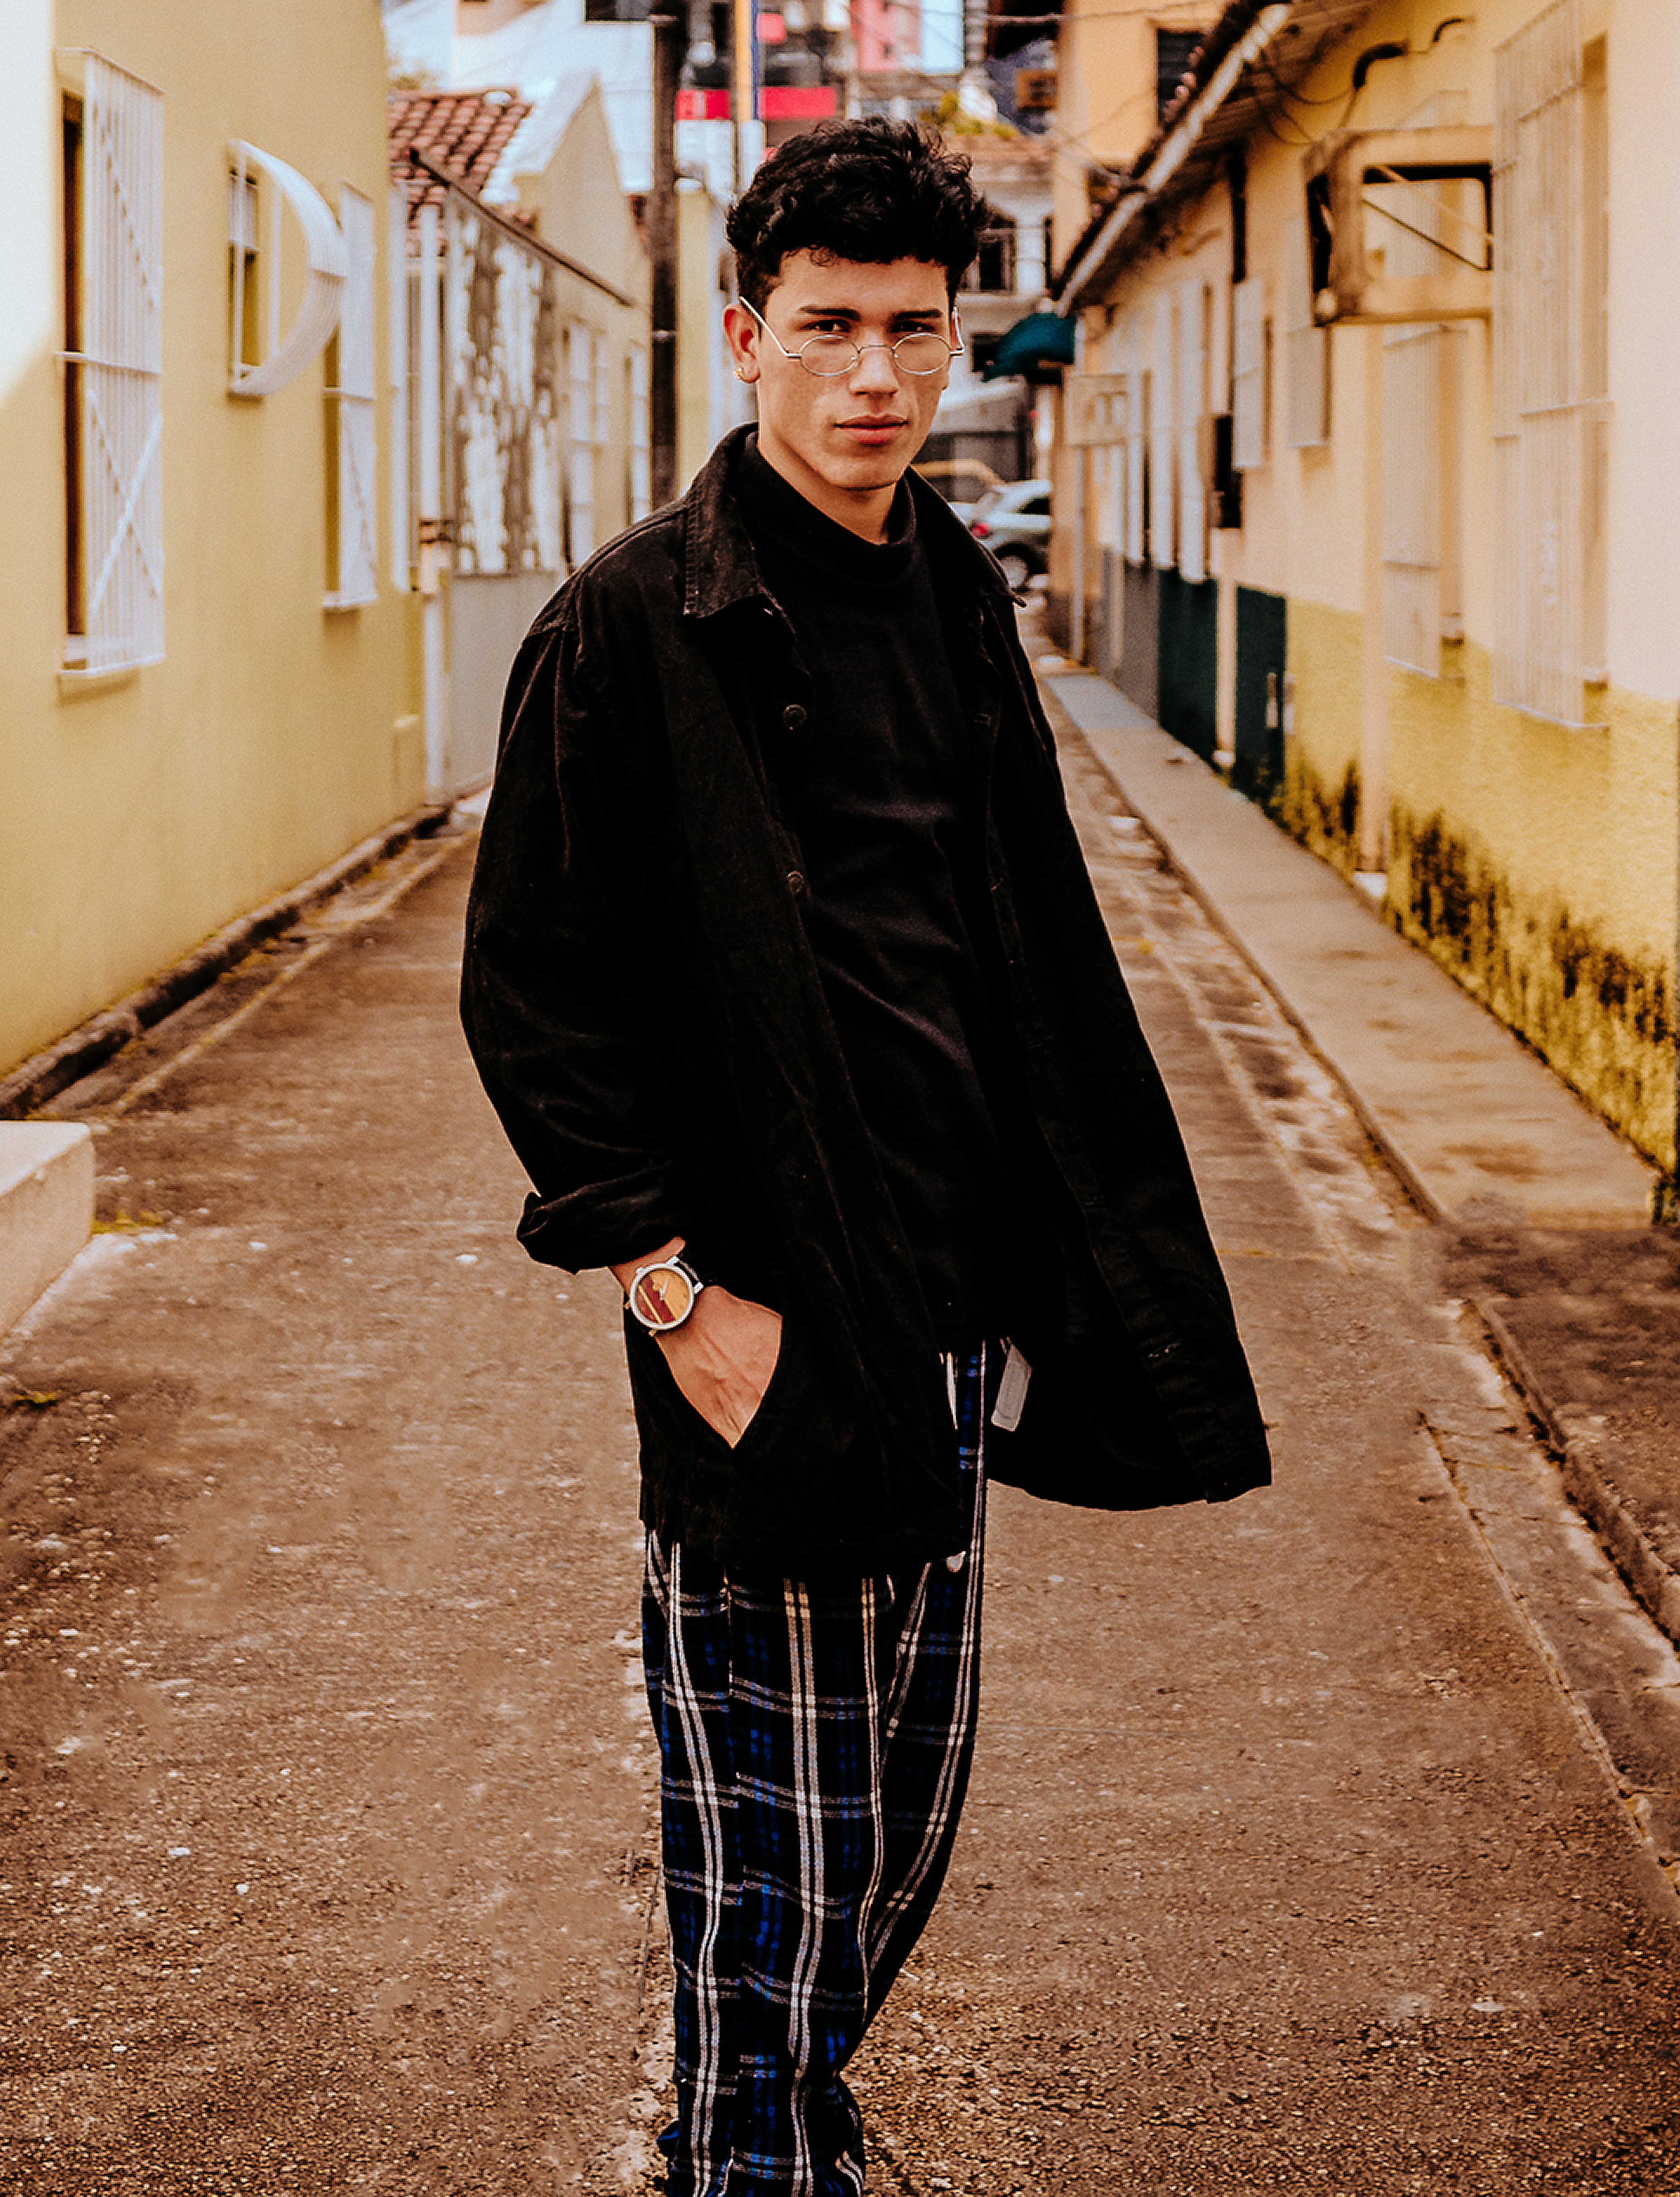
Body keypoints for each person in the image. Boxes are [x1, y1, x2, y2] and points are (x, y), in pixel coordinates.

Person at [461, 117, 1267, 2197]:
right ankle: (748, 2158)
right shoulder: (636, 628)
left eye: (915, 330)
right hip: (768, 1315)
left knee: (894, 1822)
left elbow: (1013, 950)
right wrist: (676, 1300)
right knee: (769, 1829)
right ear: (745, 337)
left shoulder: (954, 603)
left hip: (952, 1314)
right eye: (827, 328)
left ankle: (768, 2115)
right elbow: (536, 994)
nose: (876, 377)